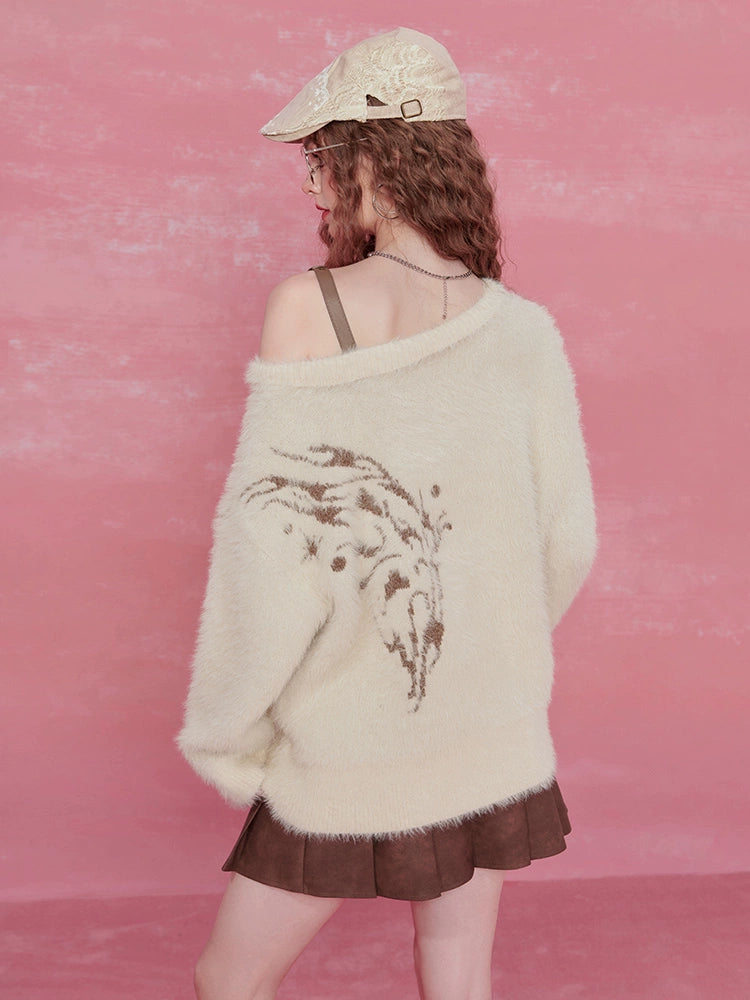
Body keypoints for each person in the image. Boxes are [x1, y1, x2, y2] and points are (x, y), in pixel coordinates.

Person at [177, 26, 597, 1000]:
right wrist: (479, 656)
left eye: (321, 156)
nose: (312, 184)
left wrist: (230, 727)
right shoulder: (524, 333)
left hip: (352, 731)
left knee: (227, 980)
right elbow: (567, 543)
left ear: (375, 155)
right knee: (457, 977)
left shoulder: (308, 307)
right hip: (487, 726)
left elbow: (268, 557)